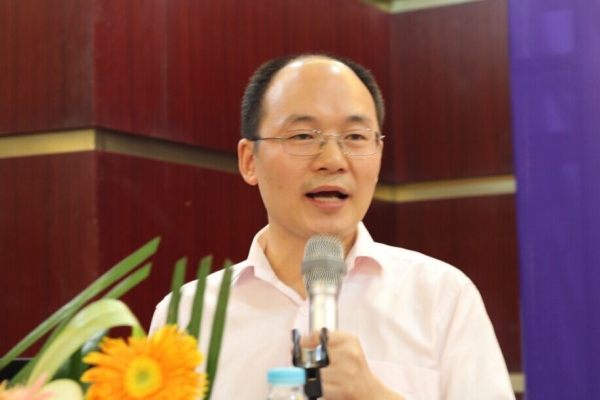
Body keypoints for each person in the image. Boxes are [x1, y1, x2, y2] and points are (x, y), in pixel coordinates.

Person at [150, 54, 515, 399]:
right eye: (303, 136)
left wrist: (374, 395)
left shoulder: (441, 297)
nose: (333, 160)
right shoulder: (186, 318)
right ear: (249, 160)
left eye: (355, 137)